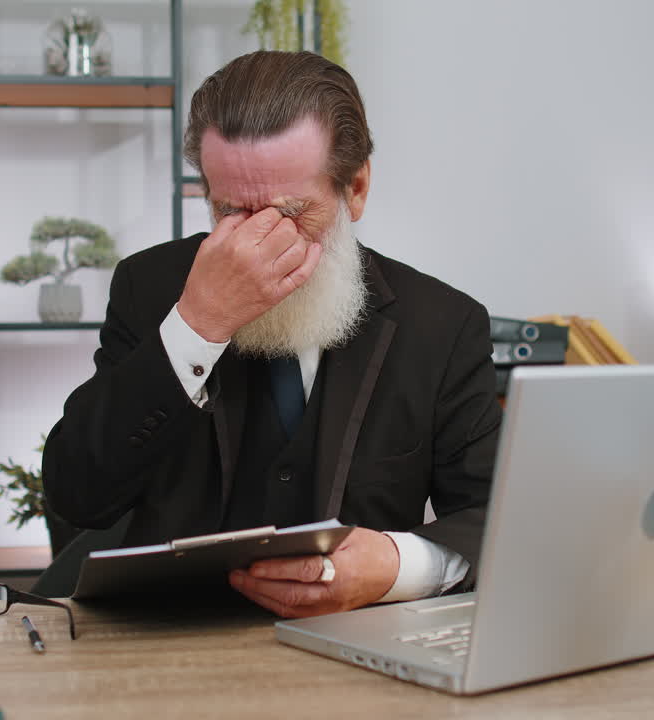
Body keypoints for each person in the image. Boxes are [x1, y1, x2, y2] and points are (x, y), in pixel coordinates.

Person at [42, 50, 501, 618]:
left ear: (355, 189)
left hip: (356, 644)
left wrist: (394, 565)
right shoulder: (149, 286)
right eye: (231, 211)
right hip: (172, 642)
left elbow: (498, 520)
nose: (259, 241)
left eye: (290, 212)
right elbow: (76, 494)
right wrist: (197, 324)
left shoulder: (442, 324)